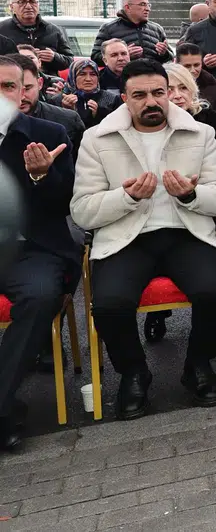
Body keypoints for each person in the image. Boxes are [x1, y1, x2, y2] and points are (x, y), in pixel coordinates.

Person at [71, 58, 216, 419]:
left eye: (159, 92)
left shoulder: (200, 133)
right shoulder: (96, 138)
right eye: (140, 95)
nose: (151, 102)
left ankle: (197, 364)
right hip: (125, 237)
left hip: (184, 232)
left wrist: (191, 195)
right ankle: (134, 372)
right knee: (109, 304)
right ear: (124, 99)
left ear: (169, 93)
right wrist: (126, 197)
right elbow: (82, 210)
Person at [0, 55, 76, 450]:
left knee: (41, 295)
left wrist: (40, 176)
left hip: (32, 248)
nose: (5, 95)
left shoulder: (48, 133)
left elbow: (66, 205)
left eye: (11, 86)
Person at [11, 54, 84, 155]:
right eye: (12, 88)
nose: (22, 97)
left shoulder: (68, 120)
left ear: (40, 83)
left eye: (27, 88)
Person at [165, 63, 216, 164]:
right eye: (170, 90)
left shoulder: (211, 119)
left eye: (183, 88)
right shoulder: (154, 123)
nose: (178, 95)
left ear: (192, 89)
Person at [0, 0, 72, 72]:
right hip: (12, 78)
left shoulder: (52, 30)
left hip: (48, 78)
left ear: (38, 5)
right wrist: (18, 57)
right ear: (12, 7)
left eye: (32, 2)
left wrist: (55, 57)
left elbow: (69, 60)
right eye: (22, 2)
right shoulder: (2, 30)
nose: (28, 6)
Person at [91, 0, 169, 65]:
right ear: (128, 7)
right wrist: (124, 55)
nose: (147, 9)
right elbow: (95, 57)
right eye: (142, 4)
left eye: (148, 5)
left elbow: (170, 59)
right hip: (124, 74)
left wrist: (164, 53)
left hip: (153, 74)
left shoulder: (157, 29)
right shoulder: (108, 29)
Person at [63, 59, 122, 129]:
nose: (88, 79)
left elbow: (118, 126)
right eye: (82, 74)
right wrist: (67, 111)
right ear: (73, 77)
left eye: (93, 74)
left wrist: (99, 114)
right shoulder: (61, 99)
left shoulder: (111, 99)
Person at [174, 43, 216, 114]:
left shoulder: (212, 84)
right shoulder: (165, 82)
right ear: (176, 63)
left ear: (201, 63)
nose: (193, 70)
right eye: (187, 66)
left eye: (196, 65)